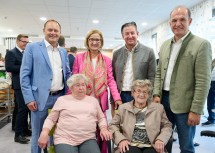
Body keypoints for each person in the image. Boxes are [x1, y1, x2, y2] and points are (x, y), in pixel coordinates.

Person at [153, 6, 212, 153]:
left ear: (190, 21)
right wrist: (156, 94)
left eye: (182, 19)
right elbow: (159, 72)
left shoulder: (201, 45)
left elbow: (203, 81)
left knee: (186, 146)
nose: (177, 23)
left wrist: (196, 110)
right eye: (174, 20)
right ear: (170, 23)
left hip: (186, 106)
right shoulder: (165, 45)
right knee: (162, 142)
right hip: (164, 101)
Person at [20, 19, 71, 153]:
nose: (53, 33)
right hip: (39, 99)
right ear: (44, 31)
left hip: (60, 98)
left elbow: (67, 73)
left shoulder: (63, 52)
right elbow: (24, 75)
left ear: (60, 33)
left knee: (56, 134)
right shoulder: (32, 48)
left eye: (56, 30)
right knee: (38, 135)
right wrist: (29, 98)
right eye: (50, 30)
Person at [72, 29, 122, 153]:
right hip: (83, 100)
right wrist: (70, 98)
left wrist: (117, 98)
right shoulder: (79, 58)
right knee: (85, 128)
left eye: (97, 40)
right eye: (92, 39)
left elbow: (111, 80)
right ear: (88, 41)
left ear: (101, 42)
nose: (94, 42)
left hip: (100, 101)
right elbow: (73, 79)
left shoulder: (106, 60)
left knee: (102, 129)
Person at [38, 74, 112, 153]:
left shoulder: (93, 101)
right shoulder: (62, 100)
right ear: (71, 87)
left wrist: (104, 128)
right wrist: (44, 132)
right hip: (65, 139)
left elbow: (101, 118)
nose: (81, 88)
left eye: (83, 85)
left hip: (88, 138)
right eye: (77, 85)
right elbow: (51, 119)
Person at [109, 80, 172, 153]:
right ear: (133, 93)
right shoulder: (123, 108)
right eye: (138, 91)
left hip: (152, 145)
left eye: (145, 92)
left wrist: (160, 139)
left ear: (149, 94)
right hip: (130, 144)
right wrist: (121, 139)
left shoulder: (158, 108)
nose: (141, 94)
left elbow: (167, 125)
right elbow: (112, 125)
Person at [112, 21, 156, 106]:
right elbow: (113, 77)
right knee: (123, 119)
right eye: (127, 34)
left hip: (140, 95)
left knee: (140, 119)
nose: (130, 36)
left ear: (137, 34)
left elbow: (152, 77)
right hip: (121, 95)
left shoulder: (148, 52)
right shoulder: (116, 53)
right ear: (122, 36)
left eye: (132, 33)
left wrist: (149, 97)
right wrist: (114, 98)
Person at [5, 34, 31, 144]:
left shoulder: (26, 53)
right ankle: (18, 135)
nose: (25, 43)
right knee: (22, 109)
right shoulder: (12, 53)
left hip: (27, 84)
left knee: (24, 108)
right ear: (17, 41)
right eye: (23, 41)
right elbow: (9, 67)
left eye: (27, 42)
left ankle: (24, 129)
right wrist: (26, 66)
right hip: (19, 85)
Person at [202, 58, 215, 126]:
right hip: (210, 82)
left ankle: (212, 119)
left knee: (212, 102)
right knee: (210, 102)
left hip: (213, 82)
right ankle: (211, 118)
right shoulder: (213, 60)